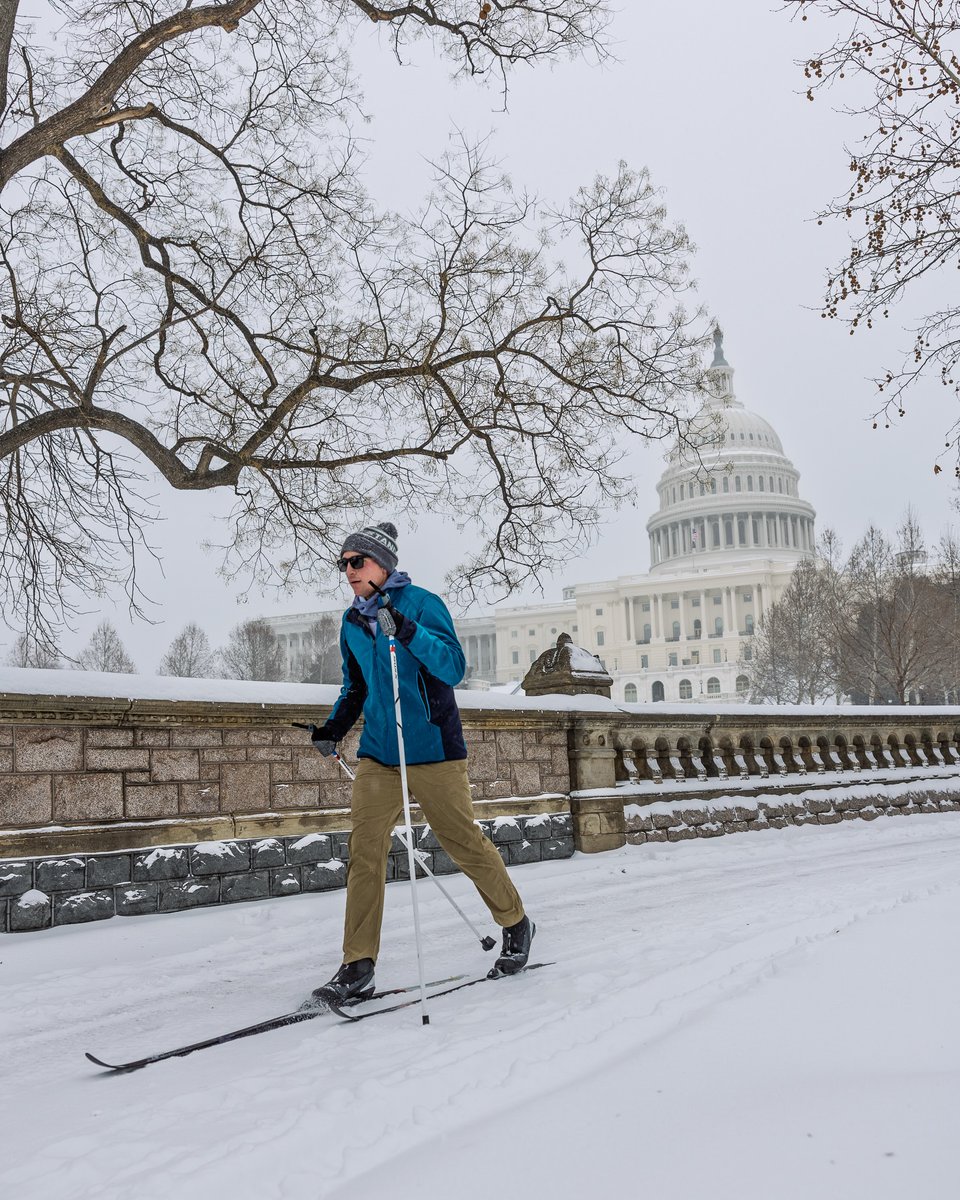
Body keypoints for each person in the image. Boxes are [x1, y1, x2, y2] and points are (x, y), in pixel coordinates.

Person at [308, 521, 535, 1004]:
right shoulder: (351, 621)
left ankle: (515, 921)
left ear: (382, 564)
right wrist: (332, 729)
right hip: (380, 755)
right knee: (364, 851)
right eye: (343, 563)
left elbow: (453, 668)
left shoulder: (423, 604)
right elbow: (357, 688)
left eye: (357, 562)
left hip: (432, 751)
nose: (348, 571)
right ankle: (357, 965)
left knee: (462, 842)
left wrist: (408, 631)